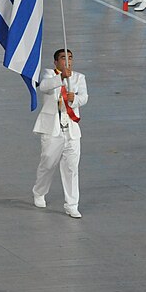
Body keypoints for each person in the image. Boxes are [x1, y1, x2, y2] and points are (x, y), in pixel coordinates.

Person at [32, 49, 88, 219]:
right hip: (52, 130)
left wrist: (75, 99)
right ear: (56, 61)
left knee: (71, 168)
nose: (68, 61)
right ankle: (39, 191)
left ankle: (72, 205)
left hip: (71, 130)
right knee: (48, 163)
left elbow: (84, 97)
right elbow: (44, 87)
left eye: (70, 58)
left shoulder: (79, 77)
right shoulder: (49, 74)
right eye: (64, 58)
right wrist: (61, 77)